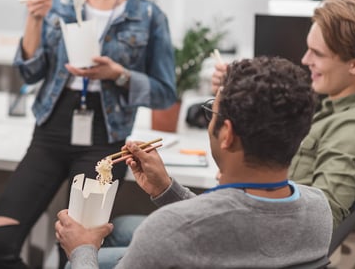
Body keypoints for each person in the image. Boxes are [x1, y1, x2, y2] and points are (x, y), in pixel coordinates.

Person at [55, 56, 332, 268]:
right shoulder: (318, 210)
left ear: (227, 133)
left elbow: (203, 224)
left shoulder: (167, 230)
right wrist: (166, 188)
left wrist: (81, 249)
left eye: (212, 110)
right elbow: (226, 227)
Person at [0, 0, 176, 267]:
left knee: (74, 253)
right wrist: (34, 19)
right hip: (50, 130)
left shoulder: (149, 15)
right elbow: (30, 72)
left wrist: (118, 75)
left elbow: (164, 94)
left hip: (104, 140)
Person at [212, 0, 355, 229]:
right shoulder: (332, 103)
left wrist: (247, 184)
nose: (305, 59)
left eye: (317, 54)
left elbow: (321, 222)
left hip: (266, 242)